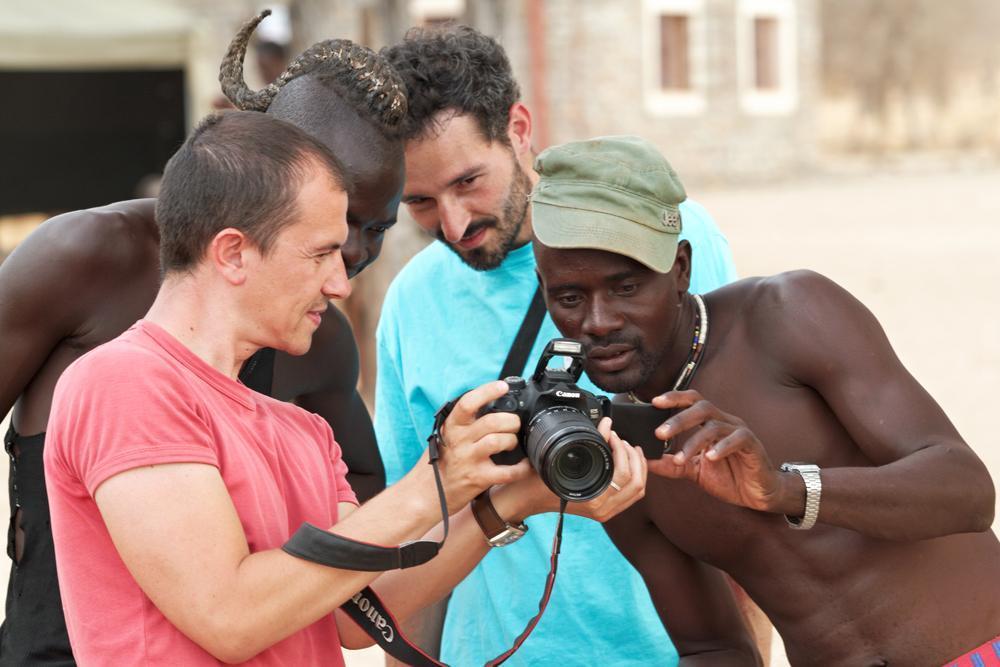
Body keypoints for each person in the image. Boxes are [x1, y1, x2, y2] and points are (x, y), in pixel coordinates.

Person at [42, 110, 646, 665]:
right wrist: (437, 483)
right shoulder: (124, 382)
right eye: (322, 253)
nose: (341, 285)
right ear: (232, 253)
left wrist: (503, 500)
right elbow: (229, 616)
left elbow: (359, 614)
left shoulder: (303, 431)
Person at [0, 12, 397, 663]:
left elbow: (364, 530)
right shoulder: (86, 256)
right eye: (333, 216)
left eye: (374, 227)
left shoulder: (318, 342)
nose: (348, 255)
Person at [530, 135, 1000, 666]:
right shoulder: (611, 453)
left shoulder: (787, 315)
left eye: (627, 288)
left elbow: (968, 491)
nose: (598, 322)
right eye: (569, 298)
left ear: (680, 269)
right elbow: (712, 646)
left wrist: (784, 489)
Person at [376, 25, 743, 666]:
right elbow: (415, 532)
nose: (454, 224)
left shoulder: (664, 243)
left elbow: (737, 475)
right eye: (421, 202)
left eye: (468, 182)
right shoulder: (412, 302)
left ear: (519, 128)